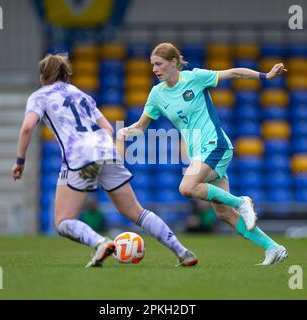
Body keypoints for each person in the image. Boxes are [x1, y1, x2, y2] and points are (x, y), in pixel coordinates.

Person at [11, 53, 197, 268]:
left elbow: (27, 127)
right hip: (106, 150)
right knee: (136, 212)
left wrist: (20, 161)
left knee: (62, 222)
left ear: (43, 76)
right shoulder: (82, 95)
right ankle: (182, 251)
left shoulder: (40, 95)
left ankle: (100, 243)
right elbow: (108, 129)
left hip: (79, 154)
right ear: (66, 75)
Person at [118, 42, 288, 266]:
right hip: (199, 152)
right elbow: (141, 126)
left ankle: (242, 201)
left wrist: (265, 76)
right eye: (152, 65)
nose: (154, 69)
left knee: (187, 187)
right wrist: (125, 131)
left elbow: (234, 72)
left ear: (173, 62)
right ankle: (274, 248)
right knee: (223, 214)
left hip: (215, 144)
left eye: (159, 64)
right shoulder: (157, 94)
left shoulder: (195, 78)